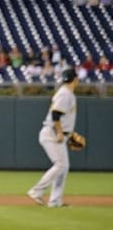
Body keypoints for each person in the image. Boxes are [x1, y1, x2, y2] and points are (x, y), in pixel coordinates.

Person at [27, 68, 80, 208]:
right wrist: (61, 133)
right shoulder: (65, 93)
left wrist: (68, 133)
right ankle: (36, 191)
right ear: (75, 79)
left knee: (64, 167)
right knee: (60, 165)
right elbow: (55, 114)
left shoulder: (67, 93)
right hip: (52, 133)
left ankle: (55, 201)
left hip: (57, 133)